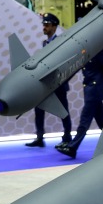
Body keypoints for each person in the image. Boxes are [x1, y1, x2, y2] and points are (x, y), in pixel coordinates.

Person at [56, 47, 103, 159]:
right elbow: (76, 67)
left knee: (85, 118)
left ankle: (72, 147)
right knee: (102, 121)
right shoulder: (84, 49)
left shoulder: (100, 49)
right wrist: (61, 81)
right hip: (89, 88)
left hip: (96, 88)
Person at [25, 13, 73, 148]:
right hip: (45, 83)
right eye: (44, 25)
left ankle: (67, 137)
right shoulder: (45, 43)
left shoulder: (60, 42)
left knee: (63, 111)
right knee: (39, 109)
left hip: (58, 83)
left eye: (47, 25)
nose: (44, 27)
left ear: (54, 26)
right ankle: (39, 137)